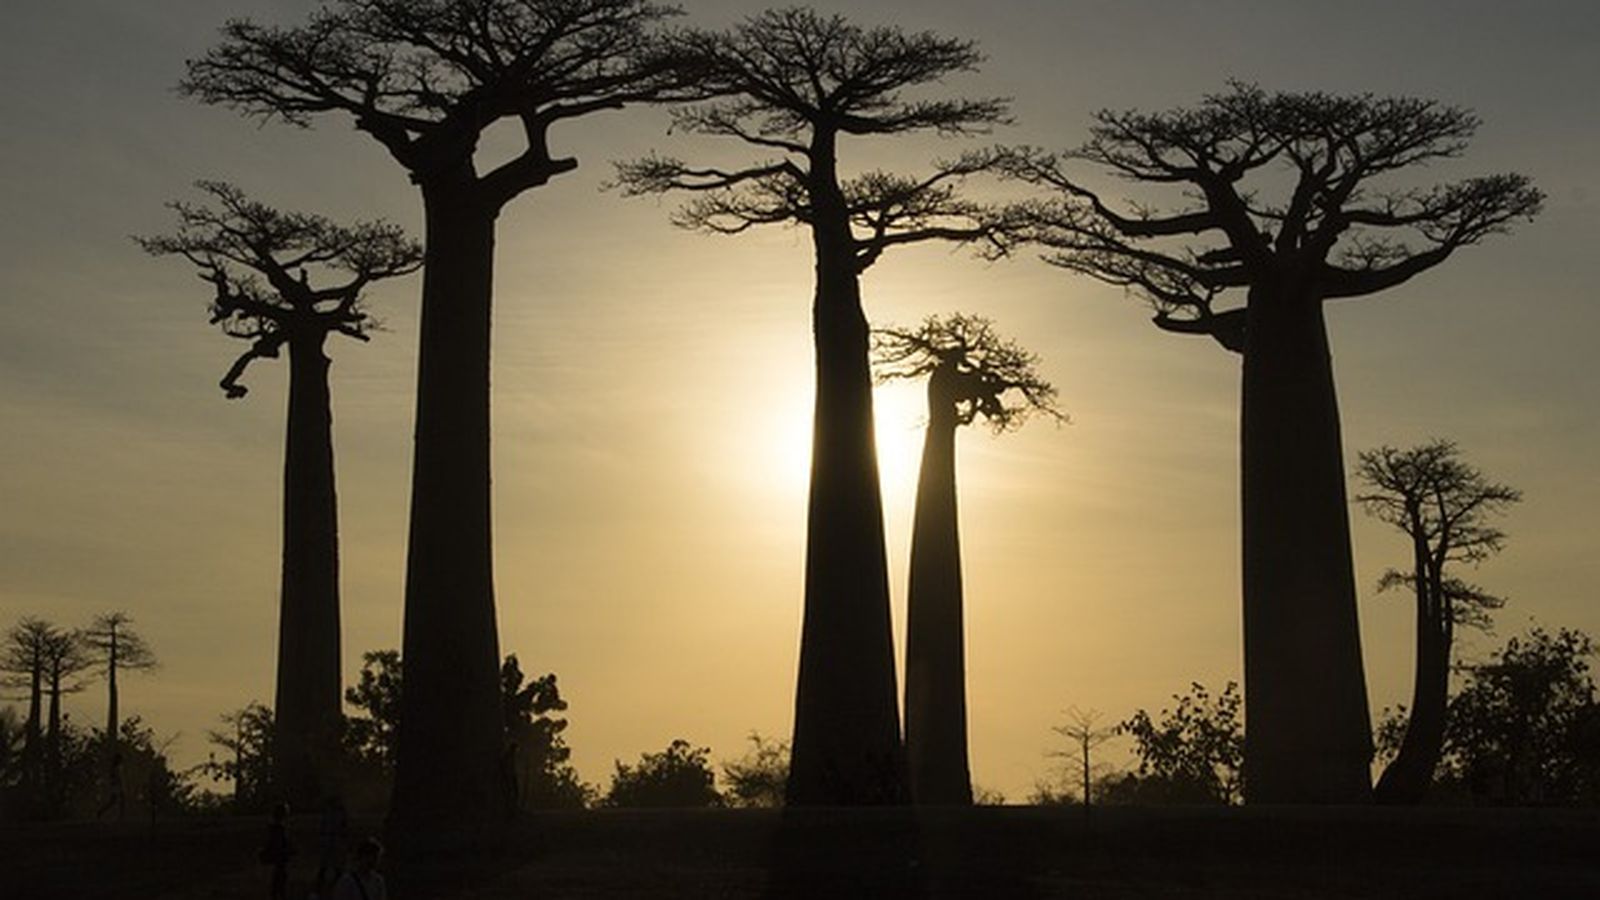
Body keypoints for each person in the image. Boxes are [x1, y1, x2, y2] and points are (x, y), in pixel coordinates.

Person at [313, 794, 351, 894]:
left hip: (332, 841)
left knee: (331, 866)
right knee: (330, 866)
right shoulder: (335, 813)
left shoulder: (330, 813)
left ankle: (330, 887)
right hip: (333, 841)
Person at [260, 801, 294, 900]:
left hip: (278, 856)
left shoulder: (275, 828)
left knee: (278, 878)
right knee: (280, 878)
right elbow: (279, 843)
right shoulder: (279, 829)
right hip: (280, 856)